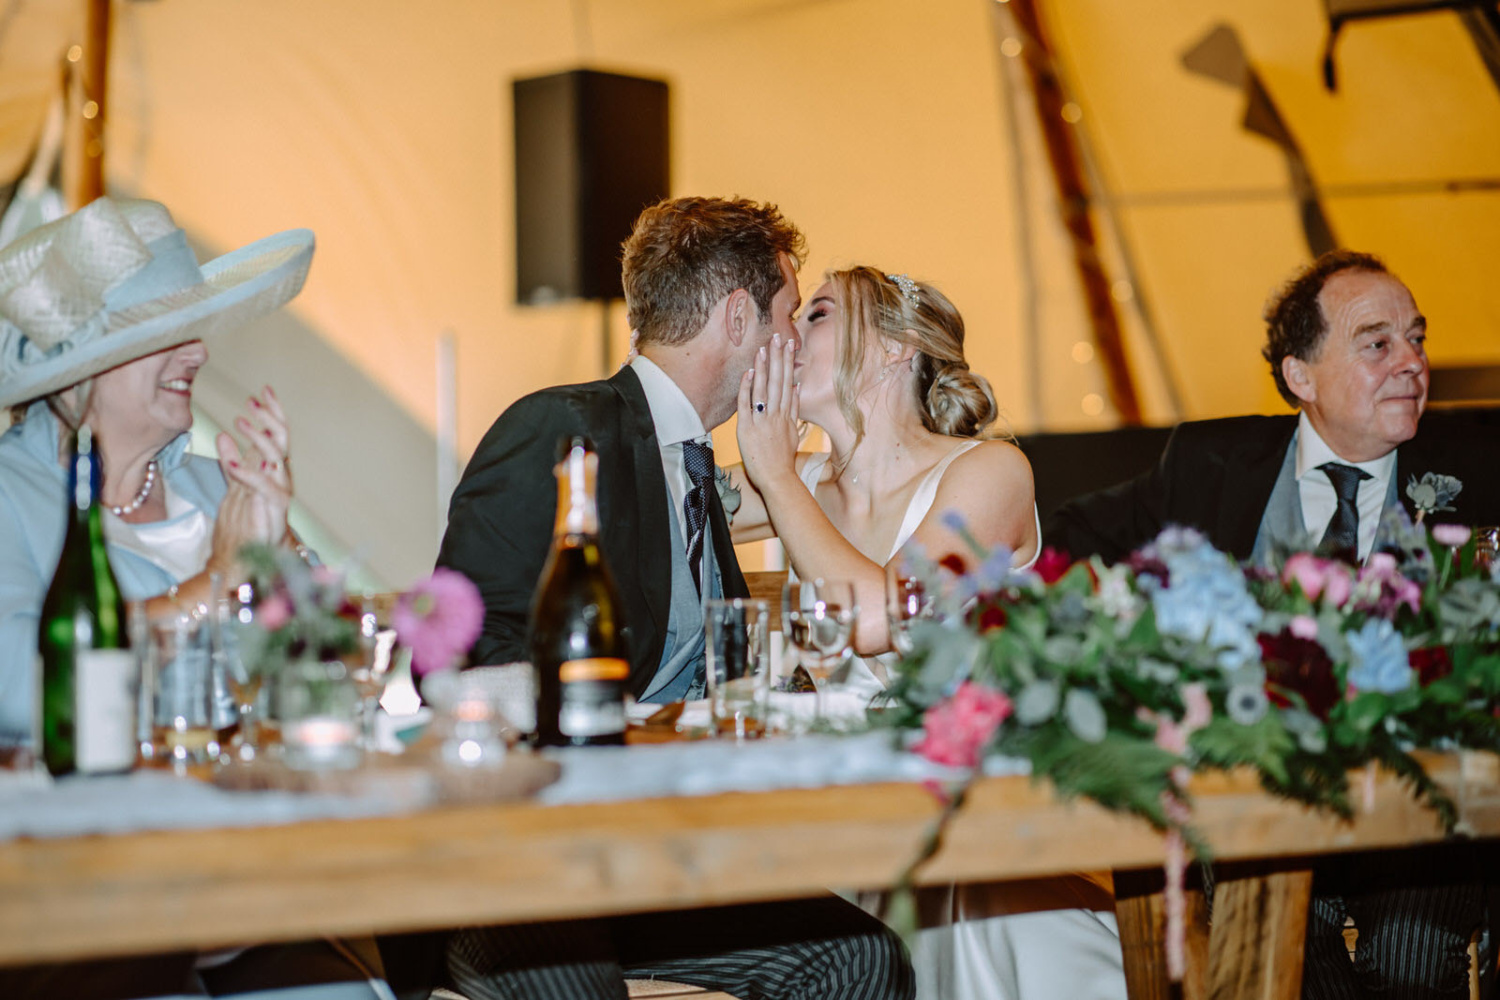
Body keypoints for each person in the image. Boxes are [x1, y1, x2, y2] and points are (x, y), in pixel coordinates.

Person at [431, 197, 915, 1000]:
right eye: (789, 317)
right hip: (528, 867)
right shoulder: (559, 429)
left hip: (659, 862)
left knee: (860, 957)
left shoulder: (698, 473)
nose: (792, 344)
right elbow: (462, 658)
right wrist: (619, 725)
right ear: (738, 319)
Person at [1046, 249, 1500, 999]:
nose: (1412, 363)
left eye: (1416, 338)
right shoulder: (1210, 463)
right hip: (1259, 804)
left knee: (1412, 957)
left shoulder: (1479, 467)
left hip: (1418, 815)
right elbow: (1068, 541)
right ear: (1302, 375)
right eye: (1378, 342)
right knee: (1280, 962)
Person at [0, 196, 394, 1000]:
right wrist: (210, 588)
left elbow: (345, 675)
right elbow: (19, 685)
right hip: (88, 895)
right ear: (79, 374)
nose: (198, 353)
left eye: (197, 327)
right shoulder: (10, 495)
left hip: (255, 879)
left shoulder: (221, 484)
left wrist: (281, 558)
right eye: (165, 335)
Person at [730, 266, 1125, 1000]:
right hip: (836, 818)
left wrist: (776, 478)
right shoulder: (797, 479)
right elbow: (662, 495)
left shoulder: (992, 472)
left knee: (960, 907)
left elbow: (882, 618)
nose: (787, 334)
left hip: (970, 819)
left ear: (894, 348)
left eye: (814, 314)